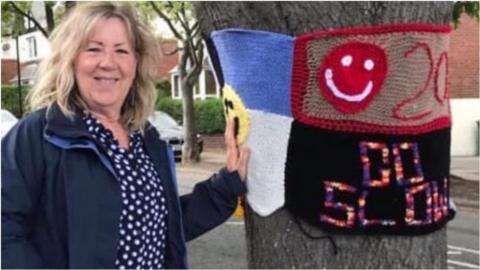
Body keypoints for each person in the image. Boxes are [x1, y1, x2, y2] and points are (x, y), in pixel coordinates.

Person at [1, 2, 250, 269]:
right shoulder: (39, 135)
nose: (108, 63)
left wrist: (224, 187)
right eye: (94, 49)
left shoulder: (146, 139)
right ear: (70, 59)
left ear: (135, 64)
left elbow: (162, 228)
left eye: (121, 51)